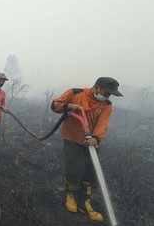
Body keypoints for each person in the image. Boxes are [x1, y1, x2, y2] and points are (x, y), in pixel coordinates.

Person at [51, 77, 123, 222]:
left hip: (91, 142)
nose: (107, 96)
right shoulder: (75, 93)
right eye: (106, 93)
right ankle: (70, 194)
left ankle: (85, 203)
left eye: (110, 94)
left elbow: (102, 124)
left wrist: (96, 138)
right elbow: (55, 106)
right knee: (75, 170)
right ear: (96, 87)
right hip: (72, 138)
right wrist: (70, 106)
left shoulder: (106, 105)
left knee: (91, 171)